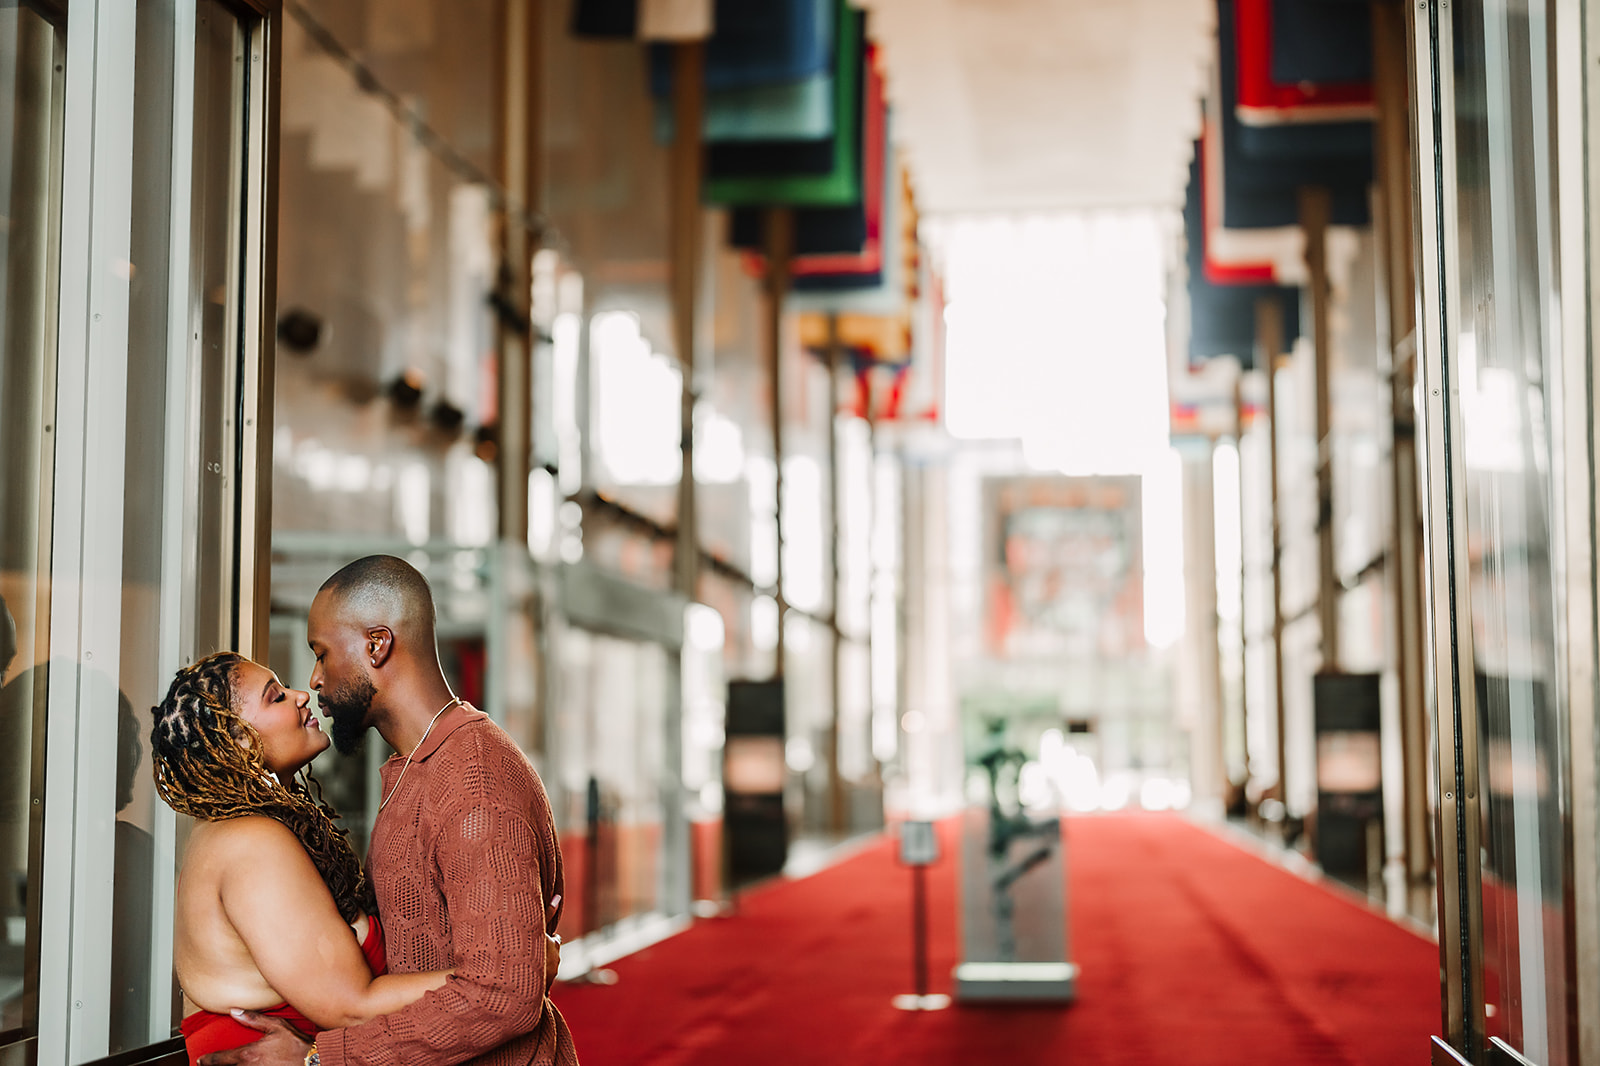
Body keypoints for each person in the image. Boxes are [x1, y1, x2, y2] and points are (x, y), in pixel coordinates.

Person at [202, 555, 579, 1066]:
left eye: (322, 653)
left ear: (376, 646)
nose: (313, 680)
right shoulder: (420, 765)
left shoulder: (475, 780)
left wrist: (320, 1060)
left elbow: (502, 995)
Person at [151, 651, 458, 1066]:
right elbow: (352, 1004)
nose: (300, 695)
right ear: (239, 740)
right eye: (276, 697)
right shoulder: (250, 843)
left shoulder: (238, 828)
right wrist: (499, 977)